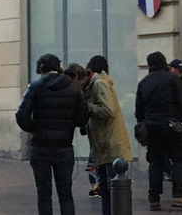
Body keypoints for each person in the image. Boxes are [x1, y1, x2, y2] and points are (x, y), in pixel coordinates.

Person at [15, 54, 88, 215]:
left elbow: (21, 115)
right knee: (66, 194)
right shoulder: (75, 88)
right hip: (64, 147)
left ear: (41, 69)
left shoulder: (35, 86)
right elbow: (83, 117)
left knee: (44, 194)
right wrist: (67, 124)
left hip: (40, 146)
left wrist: (34, 127)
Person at [136, 52, 182, 211]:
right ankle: (179, 195)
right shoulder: (173, 80)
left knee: (155, 162)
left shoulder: (143, 83)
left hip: (151, 128)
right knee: (179, 159)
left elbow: (139, 111)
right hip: (172, 127)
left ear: (150, 65)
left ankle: (154, 198)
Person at [84, 56, 133, 215]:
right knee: (105, 190)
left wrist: (88, 106)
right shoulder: (96, 84)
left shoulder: (99, 84)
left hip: (110, 145)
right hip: (105, 146)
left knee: (111, 190)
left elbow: (108, 110)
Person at [63, 64, 99, 198]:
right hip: (65, 143)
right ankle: (95, 186)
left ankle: (94, 186)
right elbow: (81, 116)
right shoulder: (76, 91)